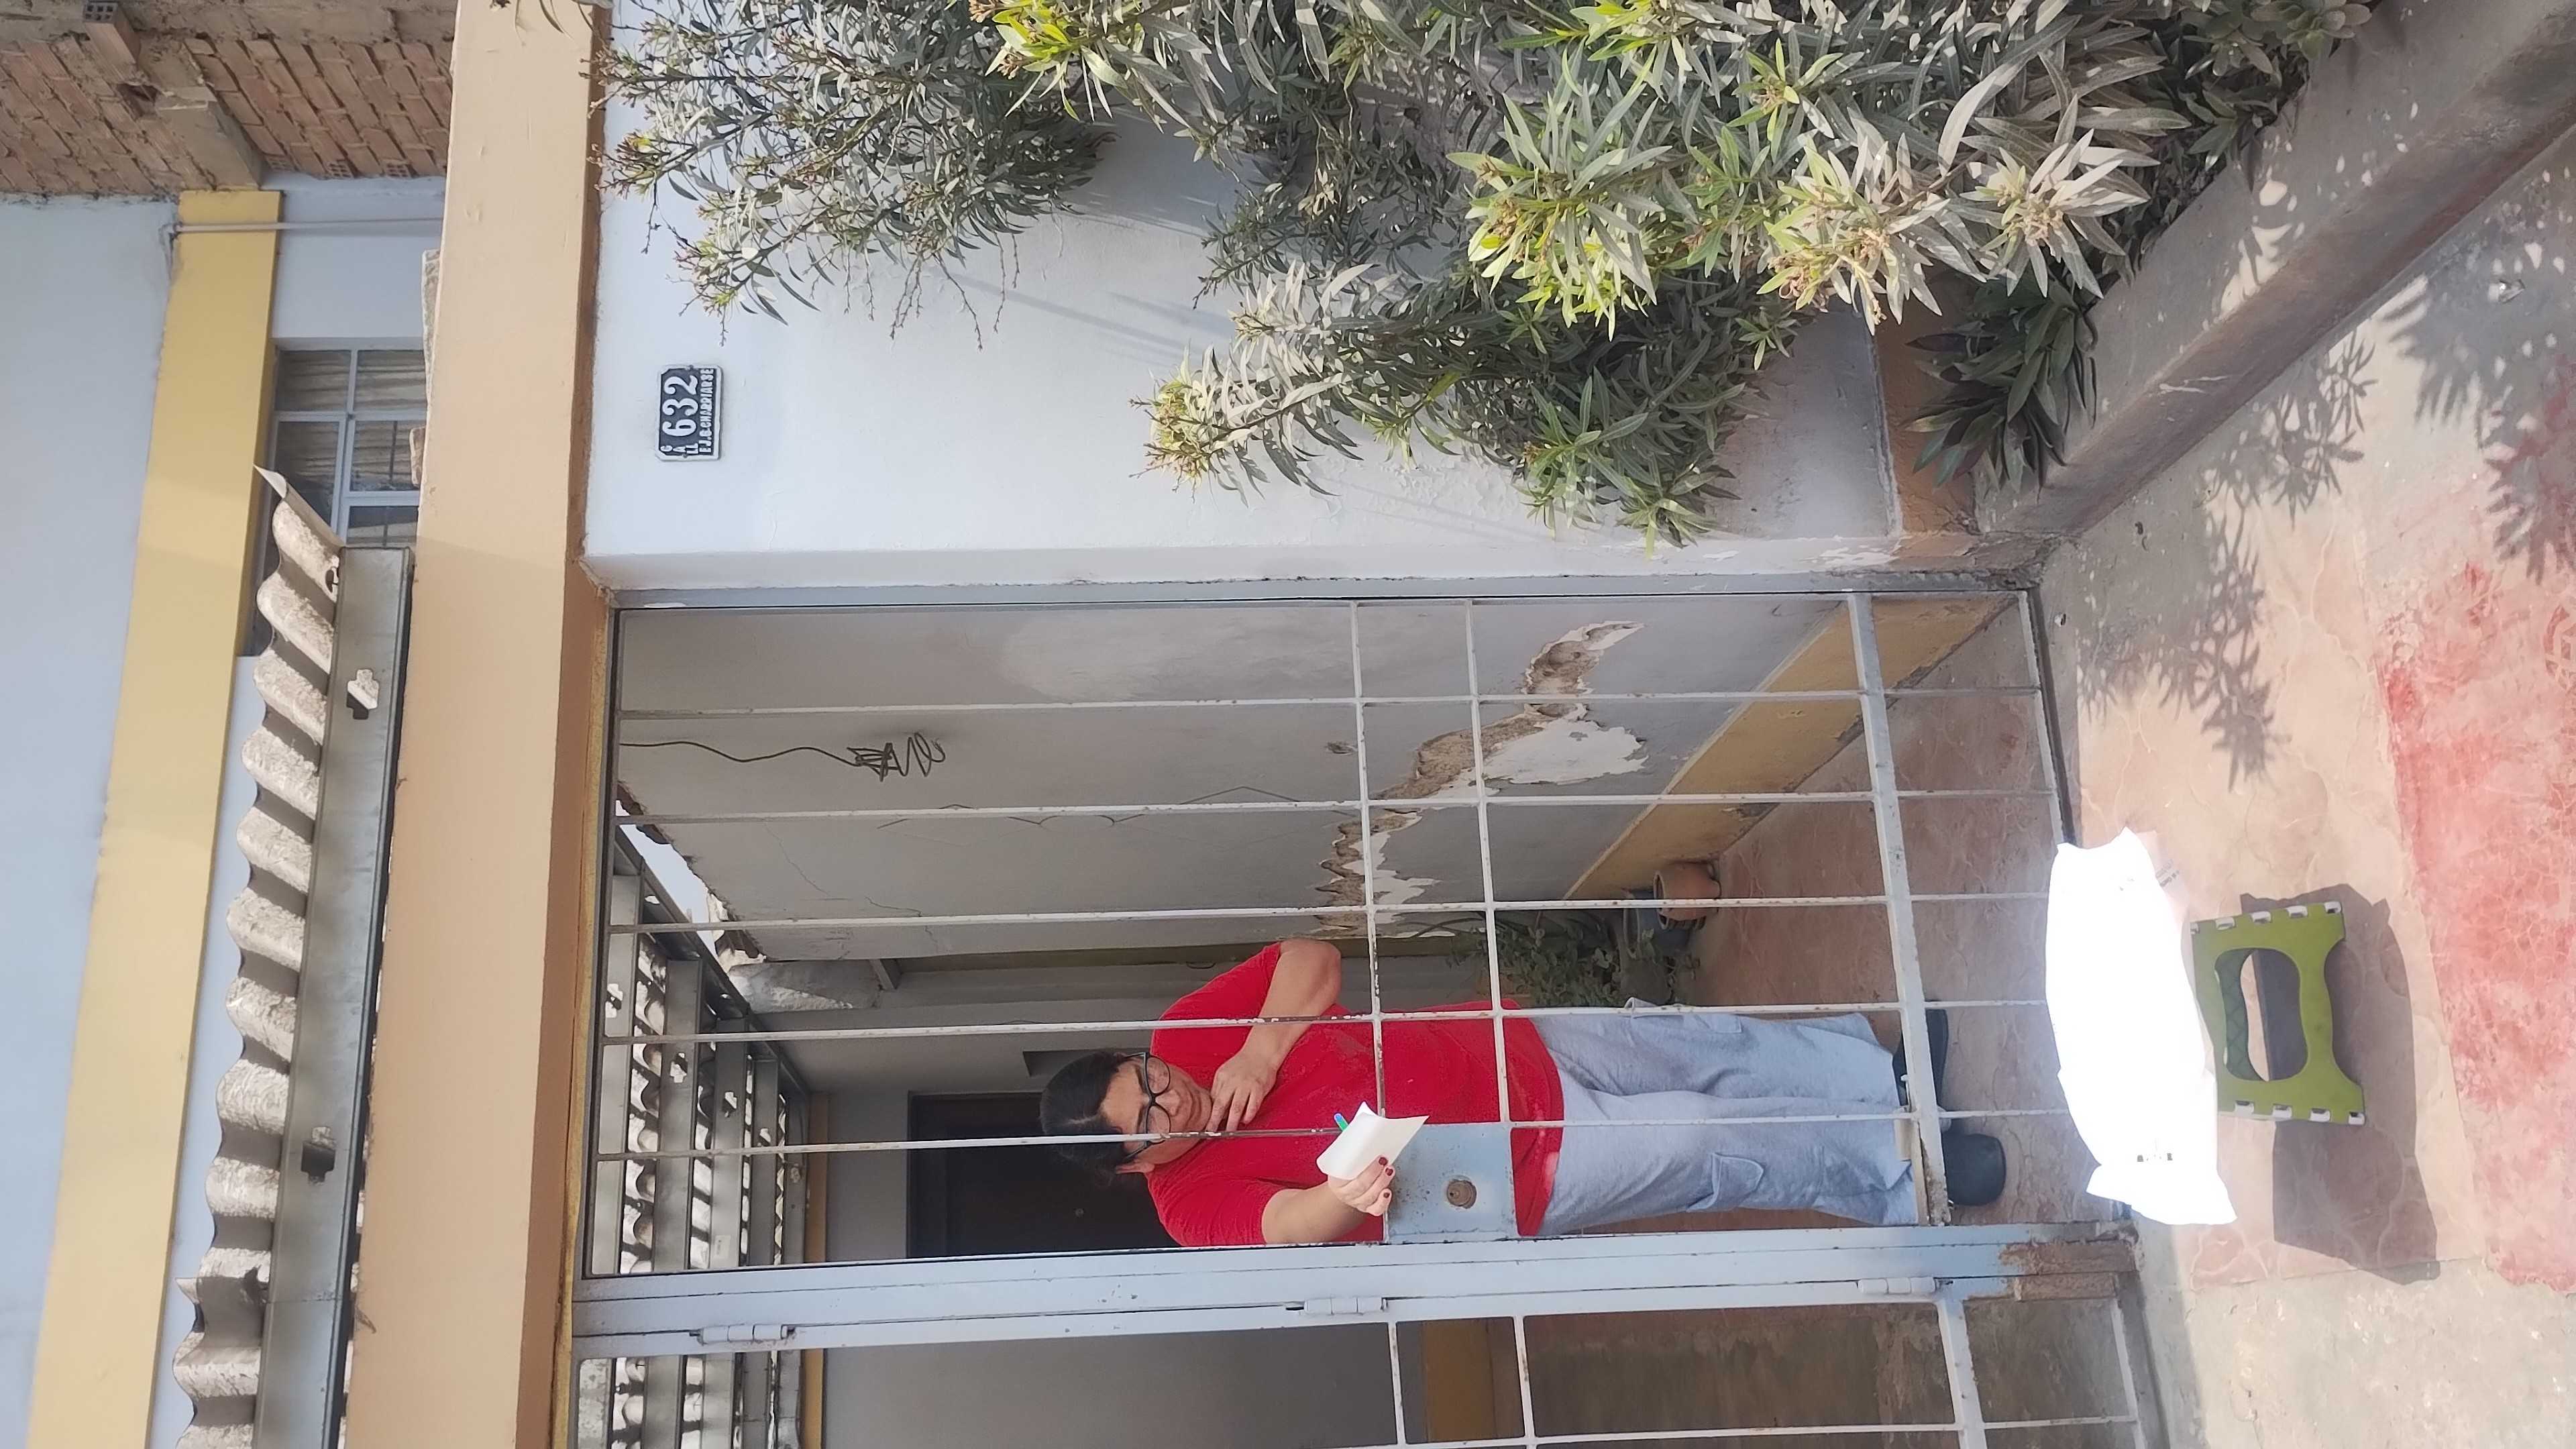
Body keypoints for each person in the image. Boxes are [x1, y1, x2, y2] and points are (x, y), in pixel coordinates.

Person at [1039, 937, 2006, 1246]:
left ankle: (1873, 1075)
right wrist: (1344, 1195)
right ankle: (1906, 1171)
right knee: (1696, 1138)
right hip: (1501, 1170)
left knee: (1694, 1048)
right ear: (1134, 1167)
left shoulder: (1187, 1035)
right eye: (1149, 1121)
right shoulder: (1186, 1204)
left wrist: (1260, 1047)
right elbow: (1286, 1226)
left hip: (1498, 1046)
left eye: (1149, 1081)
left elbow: (1310, 958)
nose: (1172, 1099)